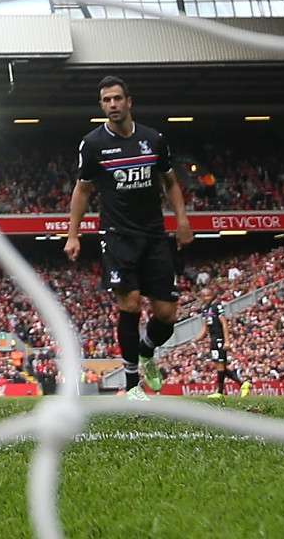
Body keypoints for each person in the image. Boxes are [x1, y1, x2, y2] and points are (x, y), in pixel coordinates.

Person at [64, 75, 190, 401]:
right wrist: (73, 234)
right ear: (101, 105)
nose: (112, 105)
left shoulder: (154, 139)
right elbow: (83, 190)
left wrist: (182, 219)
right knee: (130, 303)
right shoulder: (92, 144)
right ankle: (132, 385)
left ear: (129, 101)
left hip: (154, 235)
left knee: (167, 315)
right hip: (118, 235)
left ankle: (147, 350)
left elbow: (171, 182)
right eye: (106, 100)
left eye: (117, 99)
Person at [201, 294, 249, 399]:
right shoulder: (205, 310)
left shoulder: (217, 306)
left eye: (207, 295)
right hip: (213, 340)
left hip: (219, 339)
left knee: (220, 365)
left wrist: (227, 341)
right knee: (219, 366)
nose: (205, 297)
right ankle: (242, 384)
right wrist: (197, 338)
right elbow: (205, 328)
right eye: (203, 296)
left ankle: (220, 392)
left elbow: (224, 323)